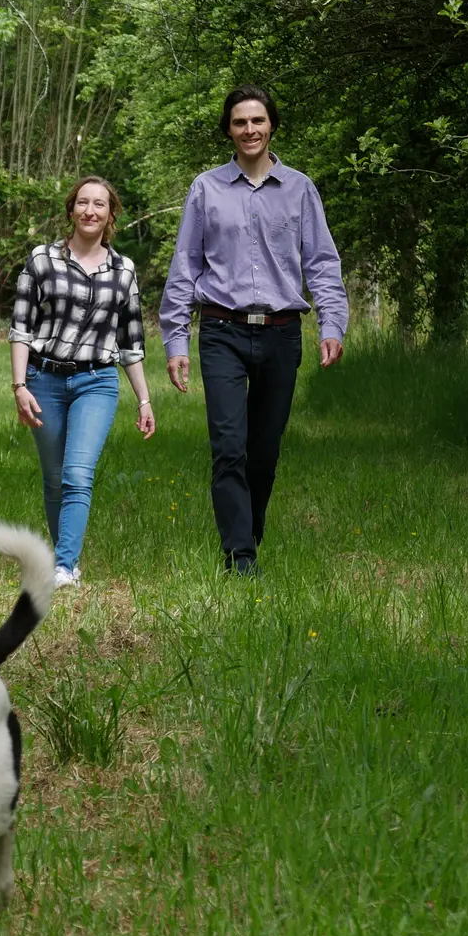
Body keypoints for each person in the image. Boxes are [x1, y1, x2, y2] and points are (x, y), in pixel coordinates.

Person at [159, 85, 348, 575]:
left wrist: (332, 323)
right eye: (240, 122)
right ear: (228, 130)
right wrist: (176, 340)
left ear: (272, 126)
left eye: (258, 121)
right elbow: (185, 266)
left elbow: (322, 263)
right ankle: (240, 555)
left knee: (263, 453)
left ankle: (249, 534)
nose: (249, 130)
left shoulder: (300, 189)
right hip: (221, 329)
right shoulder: (206, 189)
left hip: (282, 334)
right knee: (228, 447)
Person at [9, 176, 155, 588]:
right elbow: (21, 328)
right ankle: (66, 560)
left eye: (100, 204)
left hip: (96, 382)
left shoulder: (123, 270)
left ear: (111, 214)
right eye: (83, 203)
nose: (90, 211)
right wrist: (20, 386)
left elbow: (130, 343)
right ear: (71, 209)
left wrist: (144, 400)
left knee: (77, 473)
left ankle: (64, 566)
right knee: (55, 478)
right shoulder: (42, 260)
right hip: (43, 380)